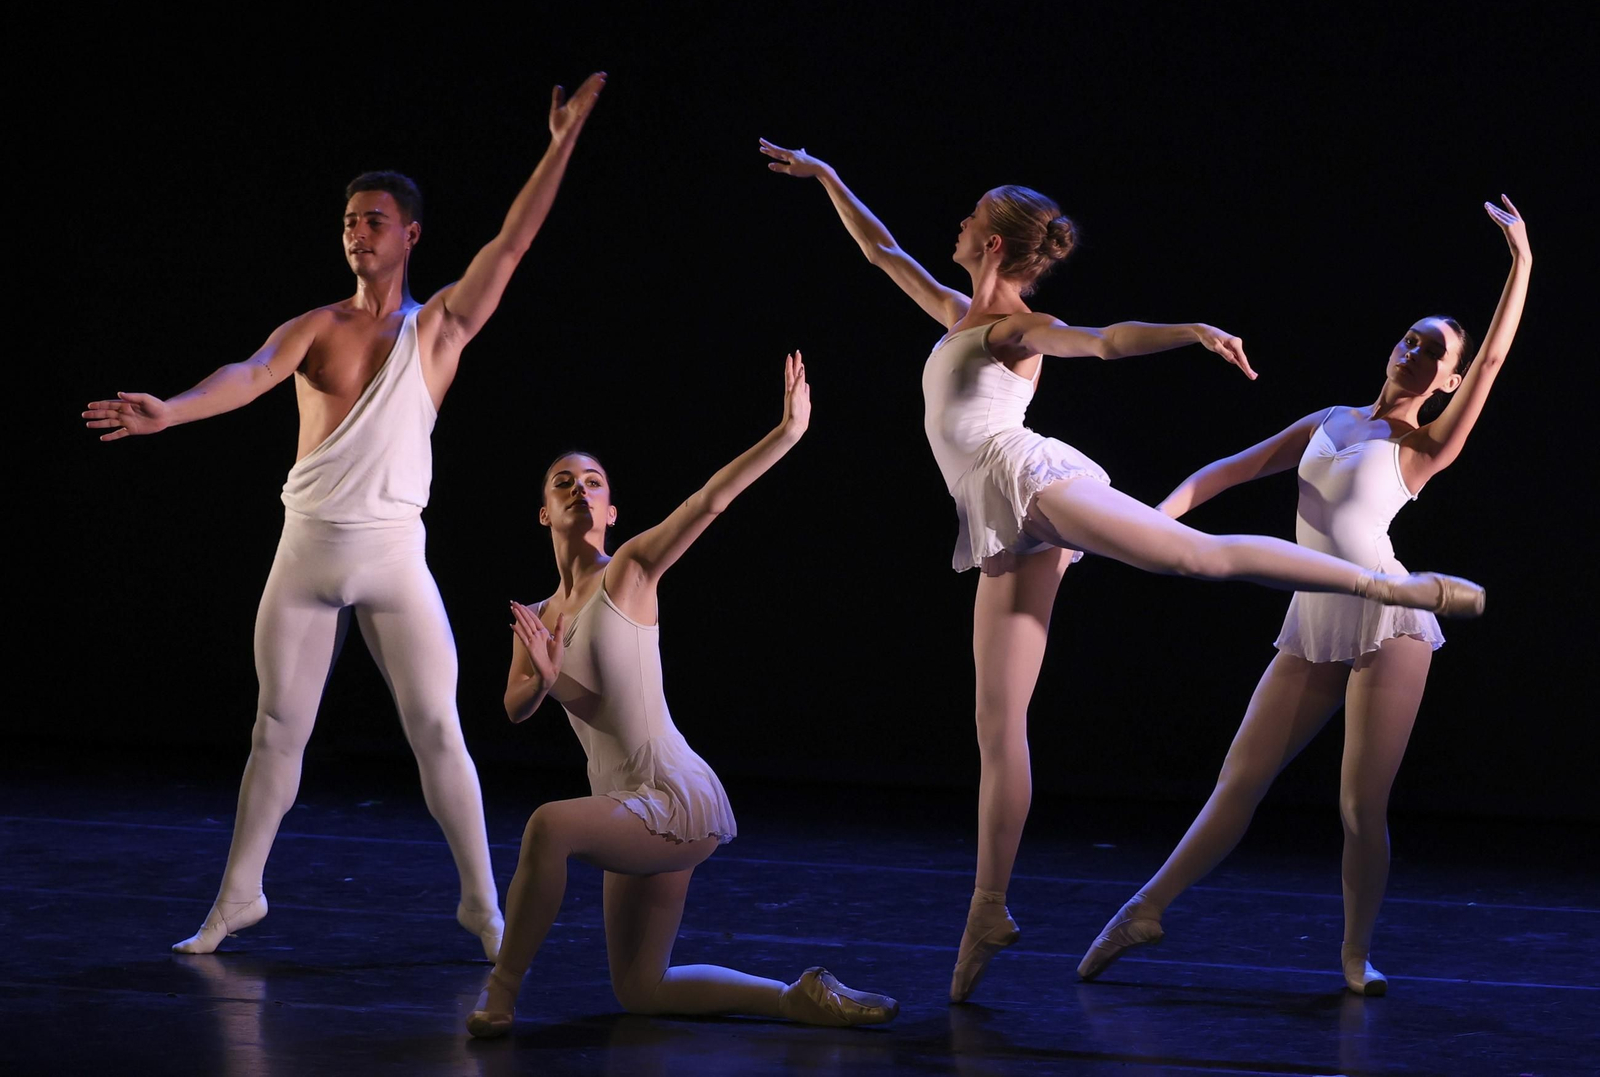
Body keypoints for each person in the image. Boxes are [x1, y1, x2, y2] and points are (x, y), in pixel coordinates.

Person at [759, 139, 1485, 1003]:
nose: (955, 223)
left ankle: (1394, 587)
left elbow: (1100, 343)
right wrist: (829, 176)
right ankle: (986, 909)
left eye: (970, 216)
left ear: (993, 243)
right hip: (1001, 520)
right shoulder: (955, 309)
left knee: (1196, 557)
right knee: (999, 725)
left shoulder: (1009, 329)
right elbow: (881, 248)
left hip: (1028, 479)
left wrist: (1188, 332)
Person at [83, 73, 609, 957]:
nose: (356, 232)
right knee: (276, 728)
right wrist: (170, 409)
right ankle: (236, 898)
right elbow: (246, 374)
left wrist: (559, 143)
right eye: (348, 221)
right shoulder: (315, 327)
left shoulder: (436, 329)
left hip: (395, 558)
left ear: (409, 235)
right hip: (307, 553)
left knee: (438, 727)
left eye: (374, 220)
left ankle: (484, 904)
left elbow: (512, 246)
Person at [1077, 197, 1530, 996]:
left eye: (1432, 351)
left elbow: (1492, 362)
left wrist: (1521, 263)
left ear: (1448, 380)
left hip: (1392, 620)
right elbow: (1223, 472)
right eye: (1409, 336)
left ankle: (1355, 957)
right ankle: (1143, 908)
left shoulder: (1422, 446)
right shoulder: (1330, 420)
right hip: (1315, 616)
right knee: (1239, 777)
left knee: (1360, 804)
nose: (1412, 350)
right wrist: (1145, 524)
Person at [466, 353, 898, 1037]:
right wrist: (546, 683)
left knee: (548, 825)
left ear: (611, 509)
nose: (580, 489)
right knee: (639, 987)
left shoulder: (631, 571)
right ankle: (798, 995)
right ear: (543, 511)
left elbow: (709, 501)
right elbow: (515, 706)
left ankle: (501, 989)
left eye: (594, 482)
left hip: (670, 795)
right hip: (626, 804)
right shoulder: (537, 617)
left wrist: (785, 433)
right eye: (563, 482)